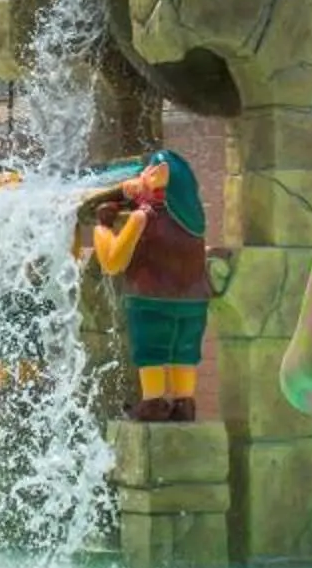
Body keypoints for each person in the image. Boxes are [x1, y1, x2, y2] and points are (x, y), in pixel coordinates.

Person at [78, 148, 214, 420]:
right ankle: (183, 403)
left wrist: (103, 227)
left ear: (158, 178)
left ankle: (152, 402)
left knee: (151, 350)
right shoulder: (195, 222)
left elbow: (112, 262)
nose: (142, 175)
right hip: (194, 301)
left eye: (147, 171)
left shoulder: (144, 217)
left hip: (151, 299)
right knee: (183, 351)